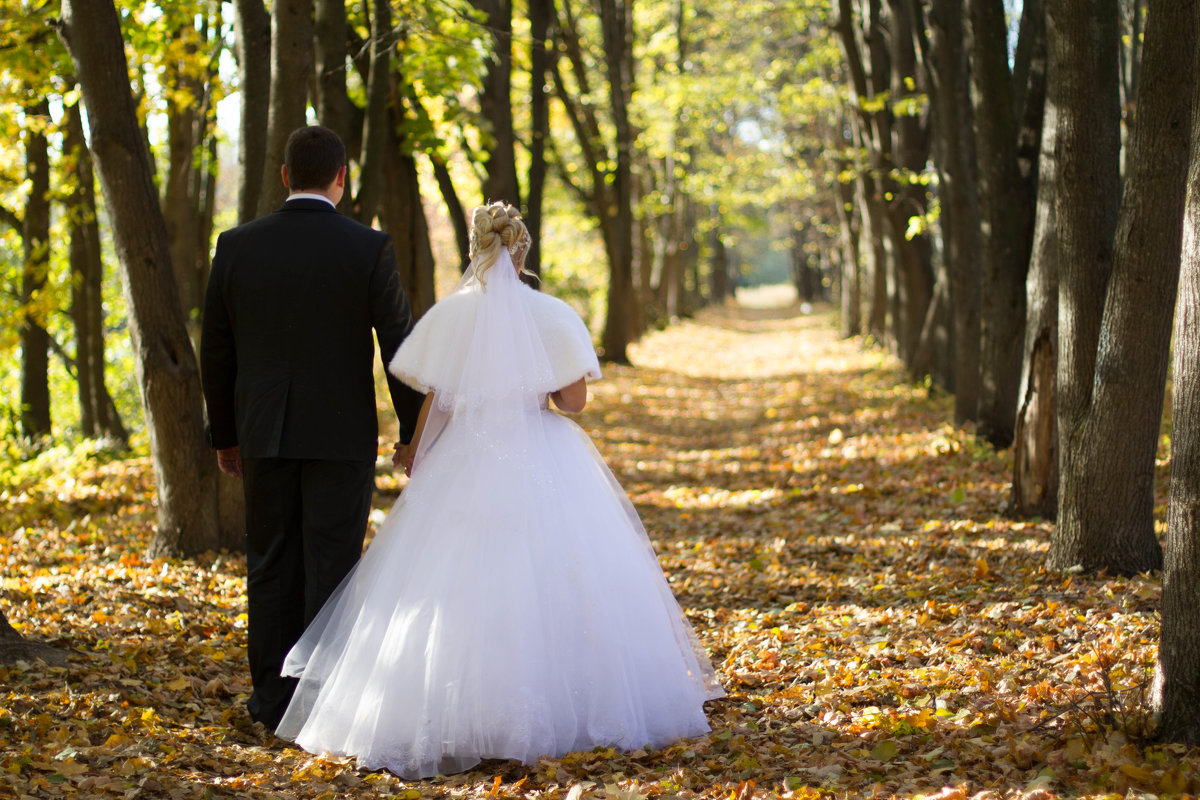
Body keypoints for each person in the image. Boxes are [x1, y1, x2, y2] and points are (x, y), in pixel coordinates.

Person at [274, 201, 724, 779]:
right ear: (522, 250)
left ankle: (457, 716)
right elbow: (573, 403)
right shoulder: (554, 316)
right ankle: (561, 712)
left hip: (465, 457)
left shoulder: (450, 317)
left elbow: (435, 402)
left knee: (450, 582)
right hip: (543, 456)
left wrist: (416, 454)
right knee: (556, 575)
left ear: (475, 249)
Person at [200, 125, 425, 731]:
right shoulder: (366, 248)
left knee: (271, 564)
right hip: (340, 433)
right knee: (332, 566)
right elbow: (398, 347)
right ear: (341, 179)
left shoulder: (237, 245)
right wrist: (412, 433)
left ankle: (269, 704)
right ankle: (322, 707)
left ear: (283, 177)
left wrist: (225, 435)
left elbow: (216, 351)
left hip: (264, 432)